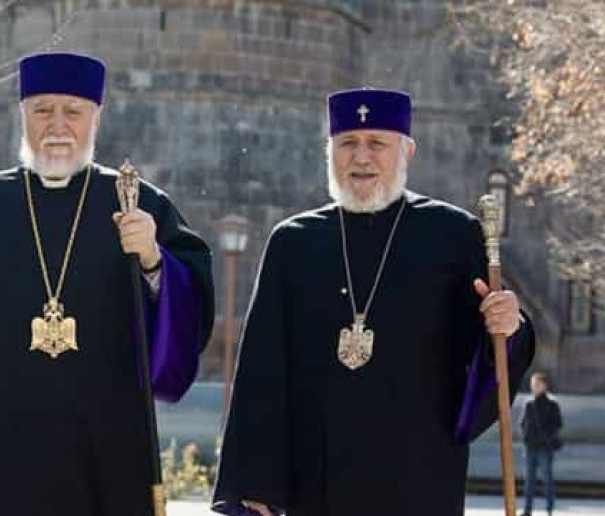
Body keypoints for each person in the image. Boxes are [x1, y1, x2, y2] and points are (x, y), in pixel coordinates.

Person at [0, 52, 214, 516]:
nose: (57, 126)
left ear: (96, 117)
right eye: (42, 110)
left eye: (73, 111)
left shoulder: (138, 203)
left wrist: (154, 261)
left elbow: (190, 313)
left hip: (104, 454)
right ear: (22, 114)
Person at [212, 88, 535, 516]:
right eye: (347, 142)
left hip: (419, 476)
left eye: (377, 143)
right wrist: (256, 483)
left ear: (407, 150)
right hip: (317, 480)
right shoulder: (292, 243)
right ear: (329, 150)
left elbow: (489, 351)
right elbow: (261, 371)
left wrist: (510, 327)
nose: (361, 157)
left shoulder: (453, 236)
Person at [521, 372, 563, 516]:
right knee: (529, 481)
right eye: (533, 384)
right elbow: (523, 423)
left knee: (547, 480)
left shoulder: (552, 405)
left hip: (545, 448)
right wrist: (527, 438)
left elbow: (557, 424)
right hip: (530, 448)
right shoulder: (529, 404)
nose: (534, 387)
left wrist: (545, 436)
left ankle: (549, 508)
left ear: (545, 386)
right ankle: (527, 510)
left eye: (537, 384)